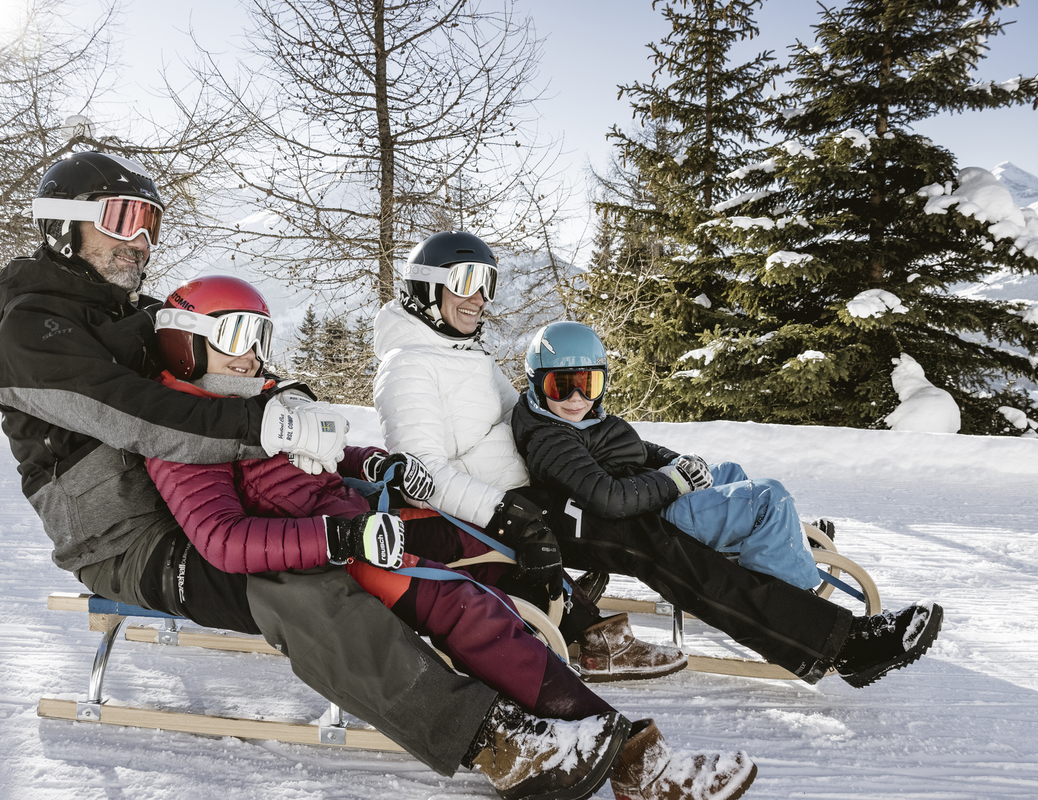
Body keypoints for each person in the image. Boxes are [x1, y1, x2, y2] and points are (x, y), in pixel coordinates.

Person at [0, 152, 719, 800]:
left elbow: (219, 371)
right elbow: (139, 414)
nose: (140, 239)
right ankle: (490, 739)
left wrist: (309, 423)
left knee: (419, 543)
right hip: (128, 539)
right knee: (301, 585)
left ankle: (571, 665)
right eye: (122, 218)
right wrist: (271, 431)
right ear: (63, 223)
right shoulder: (33, 333)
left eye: (150, 221)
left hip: (201, 500)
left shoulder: (132, 314)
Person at [147, 273, 756, 800]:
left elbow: (324, 455)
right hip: (339, 547)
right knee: (470, 608)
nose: (249, 355)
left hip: (367, 517)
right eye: (232, 336)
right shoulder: (181, 431)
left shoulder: (256, 399)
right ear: (185, 341)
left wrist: (376, 462)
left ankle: (581, 646)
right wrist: (344, 539)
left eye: (258, 336)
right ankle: (637, 763)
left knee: (493, 549)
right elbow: (222, 539)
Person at [372, 230, 944, 698]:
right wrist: (510, 517)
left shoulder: (462, 354)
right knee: (654, 545)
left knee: (660, 529)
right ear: (426, 288)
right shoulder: (409, 368)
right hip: (505, 512)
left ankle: (778, 573)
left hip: (540, 492)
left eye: (487, 283)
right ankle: (840, 645)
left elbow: (529, 420)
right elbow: (423, 473)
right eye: (465, 282)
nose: (479, 297)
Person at [514, 321, 820, 591]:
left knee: (729, 471)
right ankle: (793, 595)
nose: (577, 398)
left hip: (648, 500)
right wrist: (674, 481)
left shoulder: (574, 421)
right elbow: (607, 497)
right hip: (648, 523)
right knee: (768, 496)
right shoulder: (551, 439)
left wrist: (677, 462)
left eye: (588, 384)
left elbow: (636, 447)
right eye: (561, 386)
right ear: (537, 383)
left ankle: (772, 545)